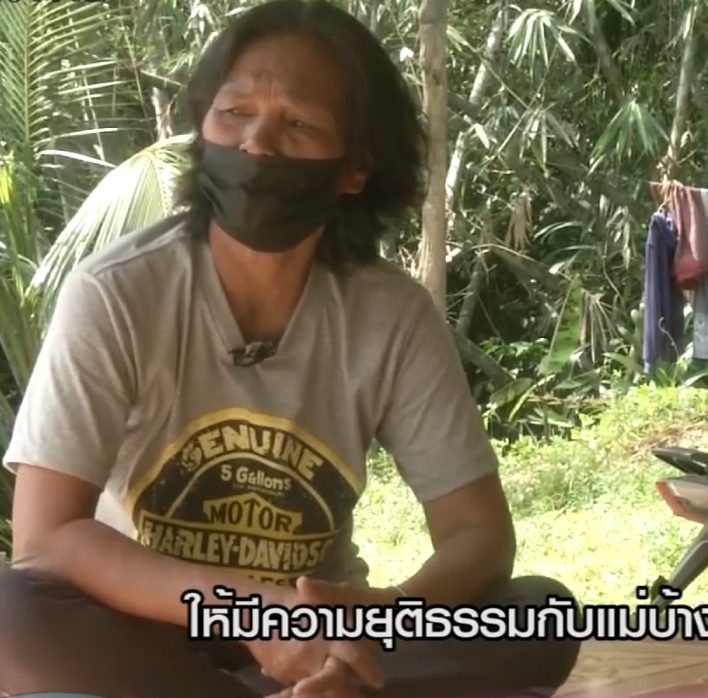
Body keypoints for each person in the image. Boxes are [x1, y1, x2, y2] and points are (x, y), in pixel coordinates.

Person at [0, 1, 580, 697]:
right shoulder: (117, 292)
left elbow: (478, 534)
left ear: (355, 167)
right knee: (9, 612)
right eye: (234, 113)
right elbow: (46, 536)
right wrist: (250, 611)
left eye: (299, 124)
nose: (257, 145)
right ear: (202, 129)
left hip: (325, 639)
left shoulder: (390, 314)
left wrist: (383, 617)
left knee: (537, 613)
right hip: (147, 632)